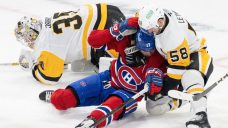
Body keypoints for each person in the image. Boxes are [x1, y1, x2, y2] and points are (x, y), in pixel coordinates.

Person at [38, 17, 168, 128]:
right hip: (107, 79)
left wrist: (156, 84)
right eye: (145, 49)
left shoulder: (160, 56)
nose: (149, 53)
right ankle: (57, 95)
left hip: (128, 95)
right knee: (61, 100)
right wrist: (116, 29)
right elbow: (93, 40)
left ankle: (90, 122)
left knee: (102, 113)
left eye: (151, 49)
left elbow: (164, 84)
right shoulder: (125, 40)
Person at [136, 5, 214, 128]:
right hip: (172, 59)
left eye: (151, 29)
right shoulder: (154, 17)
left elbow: (176, 73)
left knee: (190, 76)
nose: (150, 32)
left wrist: (162, 91)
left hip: (195, 54)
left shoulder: (173, 36)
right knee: (153, 107)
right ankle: (190, 97)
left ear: (160, 22)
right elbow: (140, 17)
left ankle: (200, 116)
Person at [14, 3, 124, 85]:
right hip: (107, 11)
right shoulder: (48, 21)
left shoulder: (46, 41)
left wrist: (33, 66)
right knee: (85, 63)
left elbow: (50, 77)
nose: (27, 43)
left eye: (26, 39)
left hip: (105, 29)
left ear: (30, 35)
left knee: (118, 67)